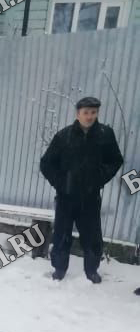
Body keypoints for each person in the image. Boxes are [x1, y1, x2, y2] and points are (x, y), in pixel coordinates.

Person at [39, 96, 123, 283]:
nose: (90, 116)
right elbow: (46, 164)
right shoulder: (64, 136)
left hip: (90, 197)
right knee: (61, 234)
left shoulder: (105, 135)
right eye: (86, 112)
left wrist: (100, 177)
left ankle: (92, 270)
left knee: (92, 236)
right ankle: (59, 268)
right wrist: (61, 183)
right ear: (78, 114)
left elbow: (116, 160)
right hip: (66, 197)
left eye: (93, 112)